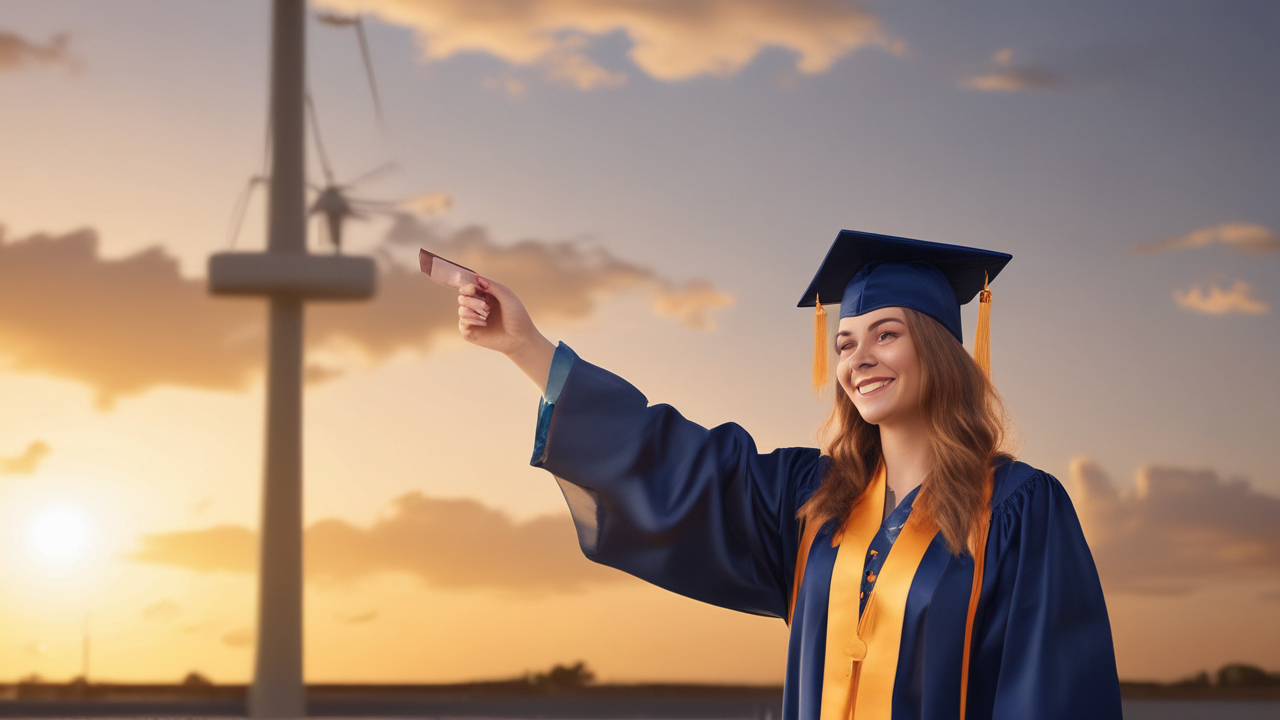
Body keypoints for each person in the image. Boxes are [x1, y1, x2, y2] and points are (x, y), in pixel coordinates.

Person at [453, 230, 1123, 720]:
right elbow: (677, 465)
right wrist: (525, 347)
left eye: (886, 334)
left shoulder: (1018, 510)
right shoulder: (813, 502)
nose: (860, 358)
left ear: (942, 349)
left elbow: (1053, 697)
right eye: (846, 343)